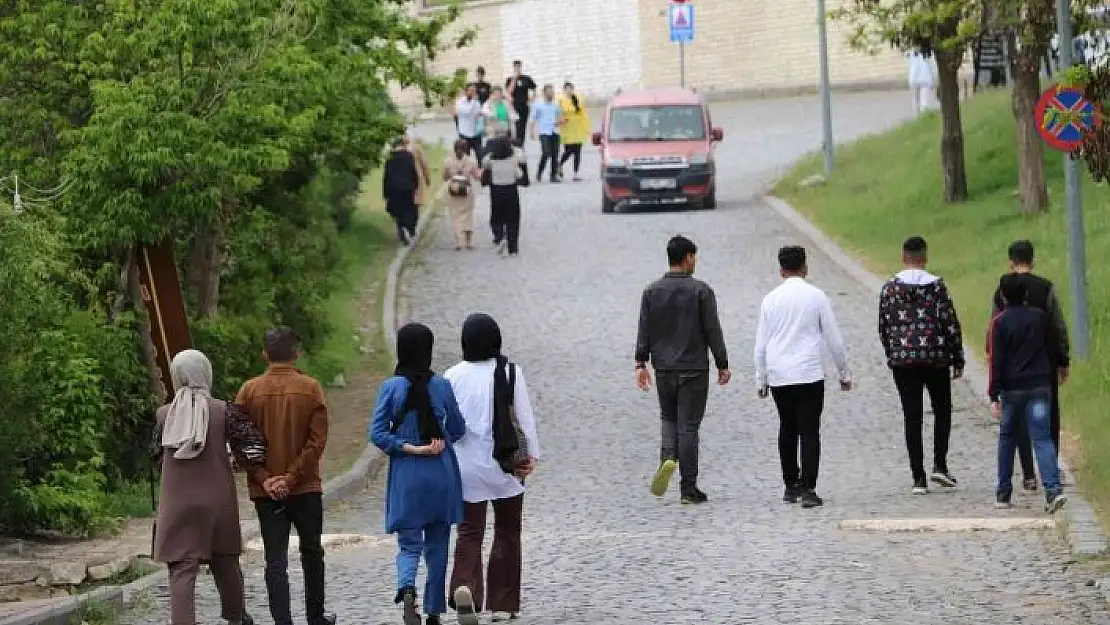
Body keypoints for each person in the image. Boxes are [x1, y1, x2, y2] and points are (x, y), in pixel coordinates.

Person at [151, 349, 267, 625]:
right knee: (225, 563)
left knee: (181, 569)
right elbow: (255, 450)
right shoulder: (224, 411)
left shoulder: (164, 414)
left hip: (177, 502)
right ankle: (236, 618)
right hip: (218, 500)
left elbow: (156, 455)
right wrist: (237, 463)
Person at [235, 327, 335, 625]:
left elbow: (241, 442)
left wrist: (266, 478)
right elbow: (316, 442)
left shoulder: (248, 391)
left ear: (265, 354)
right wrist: (291, 478)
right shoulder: (311, 388)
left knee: (275, 559)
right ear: (297, 353)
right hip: (305, 487)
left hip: (266, 492)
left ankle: (283, 621)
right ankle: (315, 617)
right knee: (312, 553)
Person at [445, 313, 541, 625]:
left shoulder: (451, 376)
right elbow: (524, 419)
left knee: (469, 532)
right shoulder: (511, 372)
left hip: (465, 467)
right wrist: (531, 457)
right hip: (506, 465)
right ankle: (502, 603)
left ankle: (465, 588)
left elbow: (447, 423)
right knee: (507, 531)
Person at [370, 323, 466, 625]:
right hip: (441, 473)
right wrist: (439, 441)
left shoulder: (390, 387)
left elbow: (378, 434)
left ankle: (407, 586)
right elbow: (458, 428)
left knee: (409, 544)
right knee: (438, 546)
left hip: (407, 476)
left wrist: (408, 447)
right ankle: (434, 611)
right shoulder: (442, 385)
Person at [634, 235, 730, 505]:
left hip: (663, 368)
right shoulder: (701, 290)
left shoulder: (651, 291)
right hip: (694, 369)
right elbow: (713, 329)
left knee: (668, 418)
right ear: (687, 257)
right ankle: (689, 488)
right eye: (694, 257)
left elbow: (644, 329)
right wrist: (722, 363)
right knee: (688, 426)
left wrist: (640, 363)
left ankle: (667, 457)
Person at [754, 246, 851, 509]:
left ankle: (790, 485)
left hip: (779, 373)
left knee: (787, 427)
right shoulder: (816, 296)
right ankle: (809, 488)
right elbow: (834, 339)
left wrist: (760, 379)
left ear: (781, 270)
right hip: (808, 372)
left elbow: (761, 344)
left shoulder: (770, 300)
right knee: (809, 430)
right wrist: (844, 373)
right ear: (805, 268)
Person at [878, 236, 965, 495]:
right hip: (934, 356)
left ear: (903, 257)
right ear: (925, 258)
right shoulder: (936, 286)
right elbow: (949, 322)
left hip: (903, 359)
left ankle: (918, 477)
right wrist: (957, 356)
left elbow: (883, 326)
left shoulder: (889, 289)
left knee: (912, 416)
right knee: (942, 409)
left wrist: (892, 352)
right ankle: (940, 463)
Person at [987, 239, 1070, 492]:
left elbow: (992, 327)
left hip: (1012, 368)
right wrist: (1063, 359)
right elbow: (1058, 325)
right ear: (1033, 261)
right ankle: (1051, 469)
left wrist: (992, 363)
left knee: (1017, 424)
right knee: (1048, 419)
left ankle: (1028, 474)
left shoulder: (1002, 290)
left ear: (1010, 262)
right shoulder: (1045, 288)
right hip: (1043, 365)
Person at [481, 128, 527, 256]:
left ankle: (499, 237)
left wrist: (491, 153)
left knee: (496, 216)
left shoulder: (492, 161)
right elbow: (519, 175)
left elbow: (484, 163)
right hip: (511, 190)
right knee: (513, 219)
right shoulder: (512, 160)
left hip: (496, 191)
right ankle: (513, 247)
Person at [443, 138, 481, 251]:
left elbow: (444, 177)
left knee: (455, 217)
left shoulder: (448, 161)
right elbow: (476, 176)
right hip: (467, 192)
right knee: (468, 216)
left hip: (454, 192)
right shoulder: (471, 161)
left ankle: (459, 242)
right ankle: (469, 242)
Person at [383, 137, 420, 246]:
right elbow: (413, 171)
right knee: (409, 208)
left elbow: (386, 176)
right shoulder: (409, 156)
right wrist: (416, 184)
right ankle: (409, 226)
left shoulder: (389, 158)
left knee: (398, 211)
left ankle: (401, 230)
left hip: (393, 188)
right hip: (407, 187)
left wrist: (385, 193)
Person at [528, 84, 564, 183]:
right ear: (544, 93)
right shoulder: (538, 105)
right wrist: (531, 131)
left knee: (555, 154)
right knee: (546, 152)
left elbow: (560, 116)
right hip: (544, 132)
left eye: (552, 91)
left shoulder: (556, 105)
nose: (551, 93)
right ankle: (539, 171)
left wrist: (561, 121)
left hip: (555, 131)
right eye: (549, 91)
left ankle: (553, 175)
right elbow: (532, 119)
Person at [557, 82, 590, 181]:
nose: (569, 91)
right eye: (567, 89)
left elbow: (583, 113)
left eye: (571, 88)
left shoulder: (578, 99)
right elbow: (558, 113)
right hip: (567, 128)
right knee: (569, 150)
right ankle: (559, 164)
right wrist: (560, 120)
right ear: (564, 90)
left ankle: (576, 173)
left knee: (578, 151)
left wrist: (586, 127)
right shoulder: (560, 100)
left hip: (578, 128)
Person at [504, 60, 536, 147]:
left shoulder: (526, 78)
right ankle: (516, 145)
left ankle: (521, 145)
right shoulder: (510, 79)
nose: (517, 68)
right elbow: (509, 91)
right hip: (514, 106)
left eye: (518, 67)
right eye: (515, 67)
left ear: (520, 67)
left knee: (522, 127)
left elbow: (533, 88)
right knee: (516, 127)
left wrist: (532, 99)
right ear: (513, 68)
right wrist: (514, 78)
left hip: (524, 106)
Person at [407, 133, 432, 216]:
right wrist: (428, 178)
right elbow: (424, 164)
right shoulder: (416, 147)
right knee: (416, 200)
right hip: (416, 177)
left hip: (404, 178)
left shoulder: (397, 149)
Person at [455, 84, 483, 158]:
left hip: (476, 133)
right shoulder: (460, 102)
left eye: (474, 91)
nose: (473, 93)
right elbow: (467, 112)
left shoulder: (477, 102)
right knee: (465, 155)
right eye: (471, 91)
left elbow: (478, 114)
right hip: (464, 133)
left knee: (480, 154)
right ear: (466, 92)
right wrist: (473, 101)